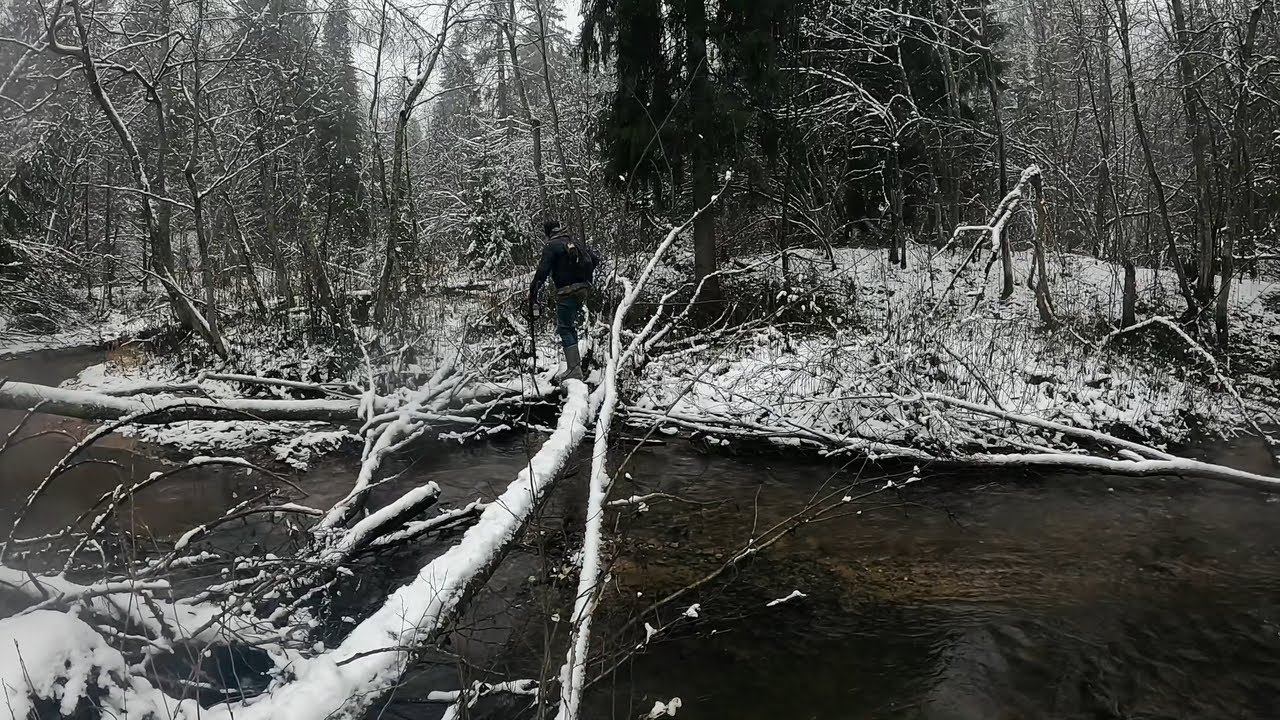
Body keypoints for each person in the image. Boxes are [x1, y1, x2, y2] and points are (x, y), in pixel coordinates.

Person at [528, 219, 599, 381]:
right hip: (583, 289)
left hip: (566, 291)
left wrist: (533, 292)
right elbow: (594, 259)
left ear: (547, 233)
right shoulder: (574, 242)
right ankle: (575, 366)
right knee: (570, 326)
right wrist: (581, 278)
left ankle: (574, 369)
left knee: (565, 328)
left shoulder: (551, 246)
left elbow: (542, 271)